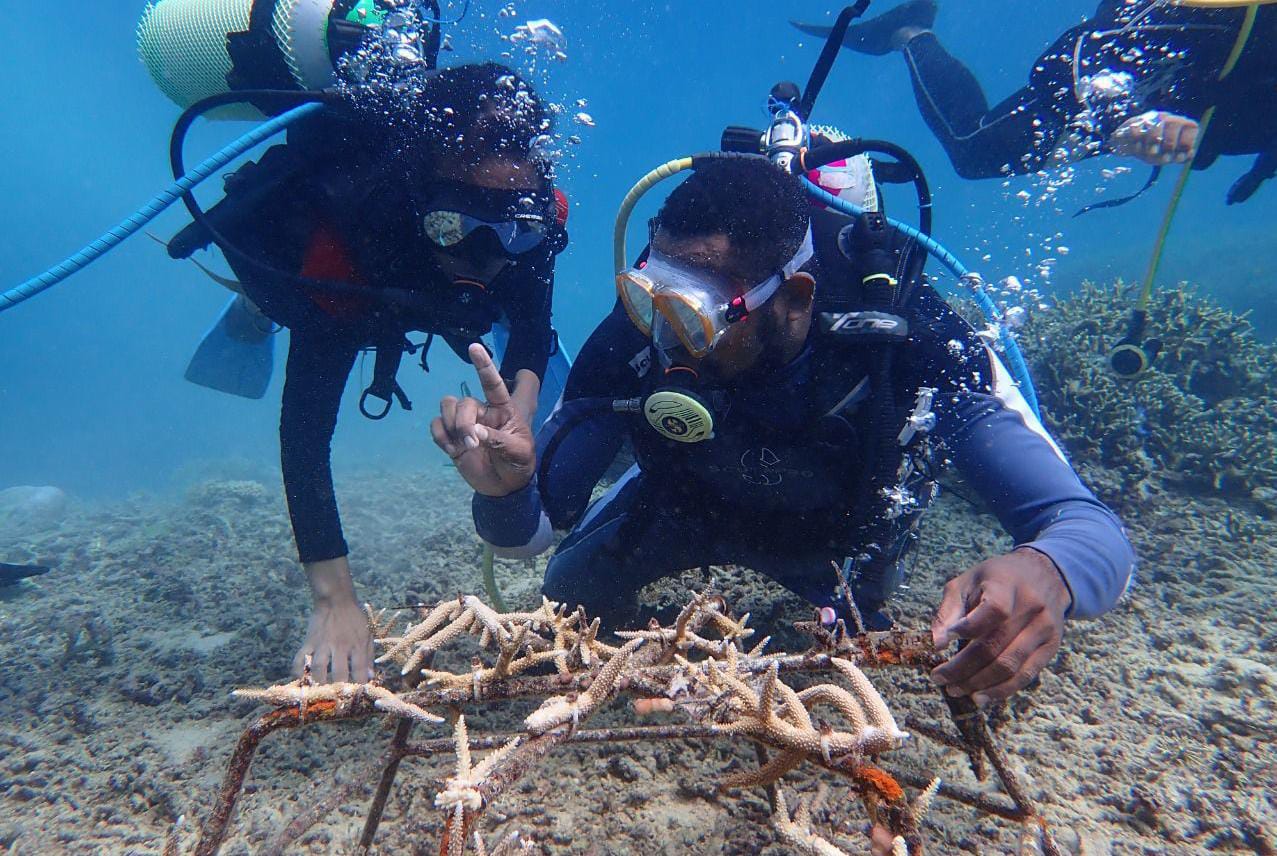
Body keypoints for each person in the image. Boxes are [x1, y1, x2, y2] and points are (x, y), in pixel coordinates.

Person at [433, 156, 1136, 711]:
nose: (665, 336)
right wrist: (505, 487)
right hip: (682, 505)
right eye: (652, 298)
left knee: (853, 636)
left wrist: (1047, 570)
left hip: (832, 538)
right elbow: (525, 535)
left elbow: (1088, 531)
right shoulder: (628, 342)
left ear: (795, 299)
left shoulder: (906, 341)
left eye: (697, 312)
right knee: (567, 589)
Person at [168, 62, 569, 683]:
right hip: (348, 289)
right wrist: (334, 599)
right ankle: (254, 308)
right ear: (419, 204)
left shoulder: (533, 227)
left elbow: (533, 326)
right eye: (454, 227)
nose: (486, 258)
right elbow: (305, 436)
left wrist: (522, 400)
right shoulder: (357, 233)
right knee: (296, 305)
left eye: (510, 233)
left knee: (507, 309)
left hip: (415, 289)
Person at [793, 0, 1277, 203]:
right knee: (975, 148)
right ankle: (908, 31)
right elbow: (1099, 46)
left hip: (1176, 105)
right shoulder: (1238, 18)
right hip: (1123, 81)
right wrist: (1121, 119)